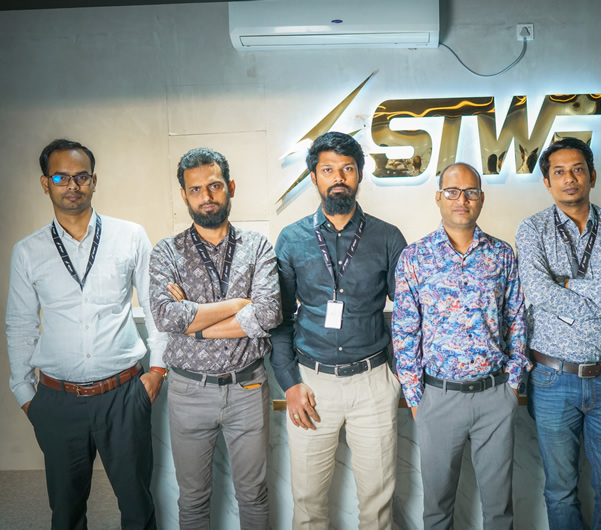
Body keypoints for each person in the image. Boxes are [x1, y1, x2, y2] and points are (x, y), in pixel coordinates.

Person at [6, 138, 167, 529]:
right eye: (60, 177)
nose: (72, 185)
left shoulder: (130, 236)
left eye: (81, 176)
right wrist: (25, 393)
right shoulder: (28, 251)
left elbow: (155, 308)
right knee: (65, 512)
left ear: (94, 181)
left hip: (124, 396)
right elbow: (21, 324)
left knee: (138, 506)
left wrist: (157, 372)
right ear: (45, 184)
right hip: (57, 400)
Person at [270, 131, 407, 529]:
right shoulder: (292, 239)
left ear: (360, 174)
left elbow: (409, 313)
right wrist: (290, 383)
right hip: (311, 385)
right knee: (308, 504)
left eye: (347, 169)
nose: (338, 178)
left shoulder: (387, 237)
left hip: (372, 384)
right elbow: (280, 318)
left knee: (378, 505)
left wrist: (398, 376)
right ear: (314, 177)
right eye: (328, 170)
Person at [515, 137, 601, 529]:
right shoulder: (532, 229)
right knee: (561, 492)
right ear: (547, 182)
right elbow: (539, 292)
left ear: (592, 175)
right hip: (551, 379)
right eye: (559, 172)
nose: (569, 178)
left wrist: (568, 285)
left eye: (577, 169)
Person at [149, 147, 281, 529]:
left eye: (214, 185)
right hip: (188, 392)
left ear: (231, 187)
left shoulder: (257, 246)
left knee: (254, 494)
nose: (205, 196)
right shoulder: (167, 252)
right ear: (184, 195)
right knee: (192, 498)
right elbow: (166, 316)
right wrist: (239, 304)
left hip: (248, 388)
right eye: (195, 189)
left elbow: (268, 314)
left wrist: (196, 324)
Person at [392, 162, 530, 529]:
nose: (462, 199)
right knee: (437, 509)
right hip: (438, 398)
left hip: (494, 396)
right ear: (438, 197)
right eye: (452, 192)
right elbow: (405, 332)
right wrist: (416, 399)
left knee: (499, 509)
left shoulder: (502, 254)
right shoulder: (415, 257)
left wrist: (512, 384)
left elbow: (516, 320)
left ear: (481, 198)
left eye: (470, 192)